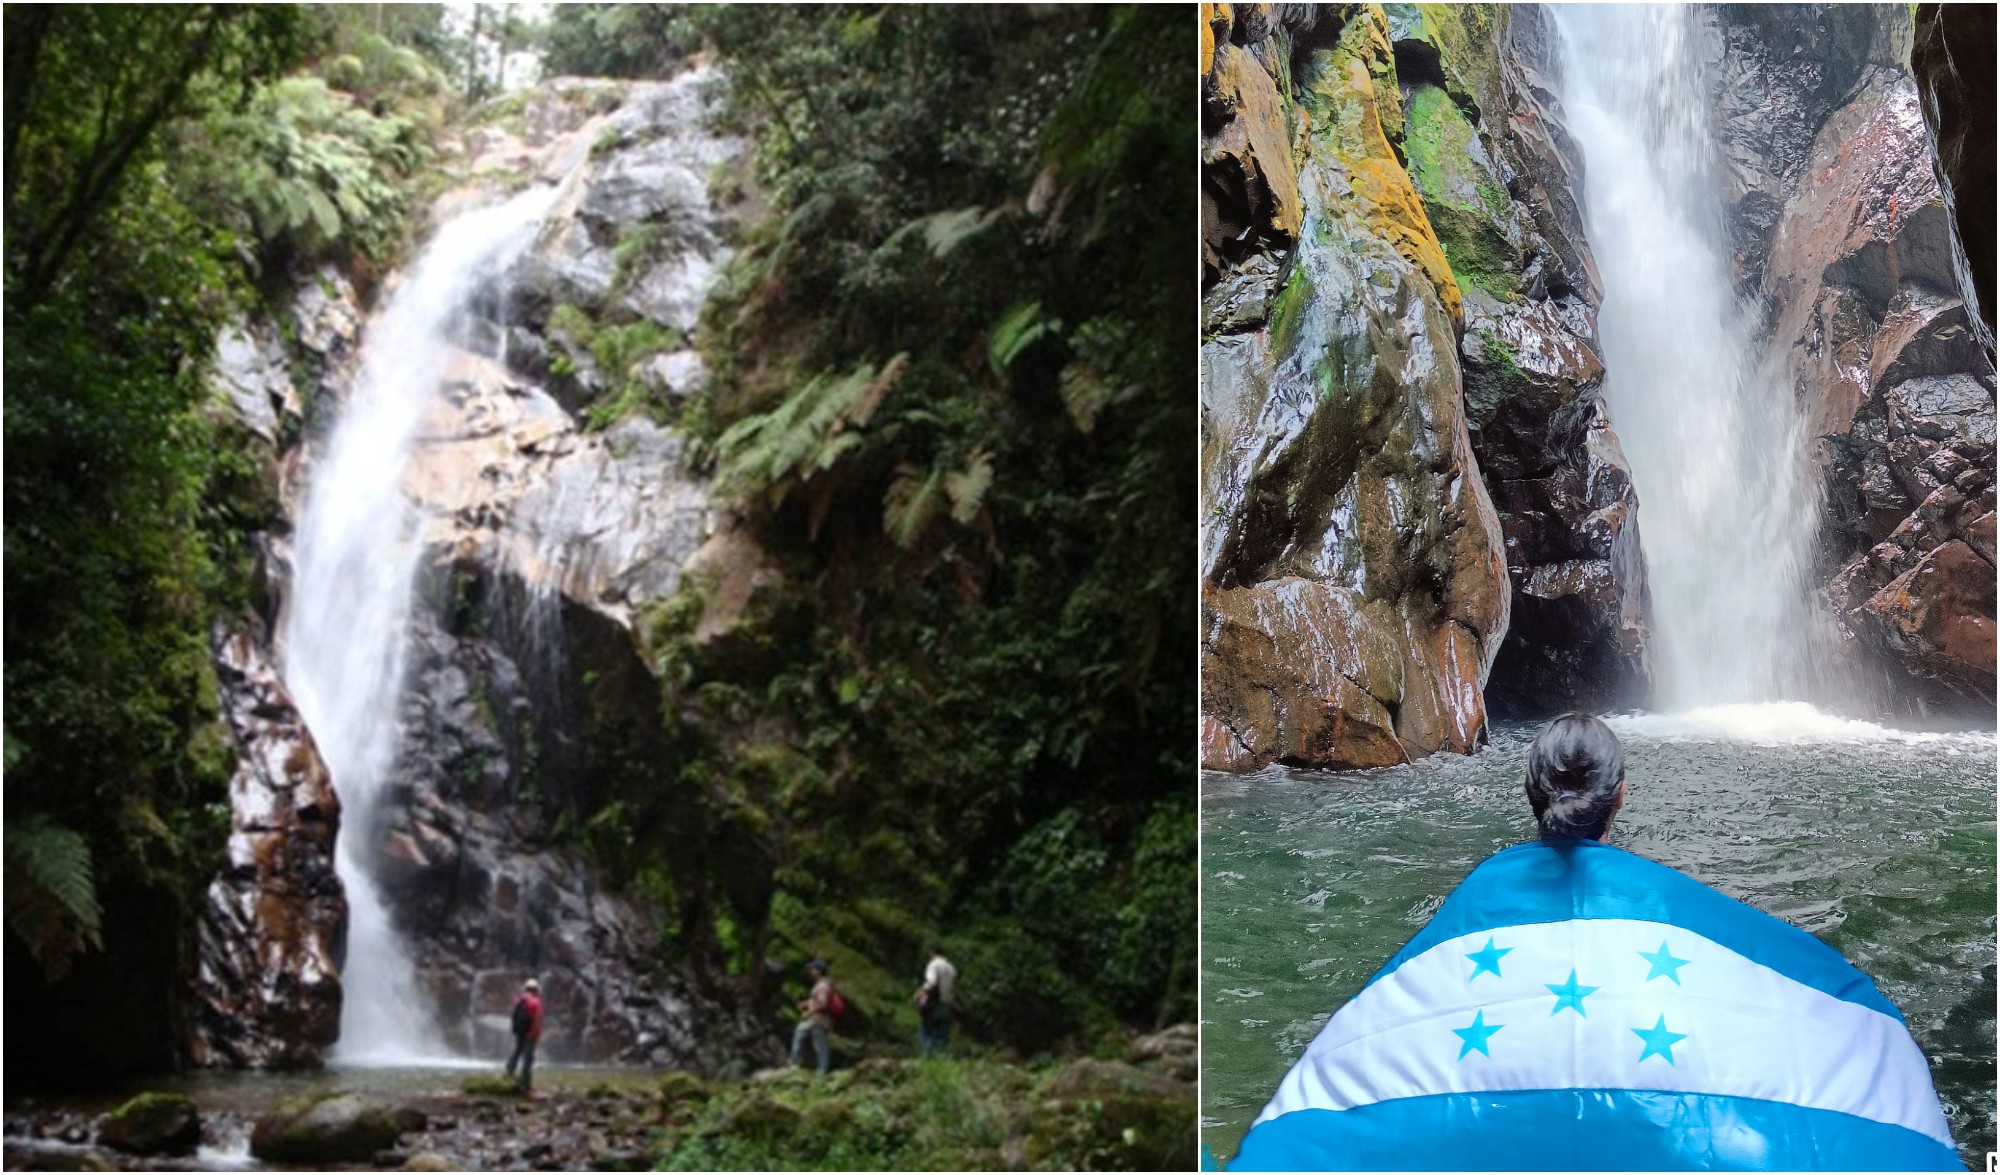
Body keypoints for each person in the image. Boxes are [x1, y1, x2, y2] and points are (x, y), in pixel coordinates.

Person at [1226, 713, 1959, 1171]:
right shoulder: (1670, 908)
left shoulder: (1477, 902)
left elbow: (1382, 1025)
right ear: (1621, 796)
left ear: (1530, 790)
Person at [789, 958, 835, 1076]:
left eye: (812, 969)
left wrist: (809, 1012)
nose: (810, 971)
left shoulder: (823, 986)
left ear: (818, 971)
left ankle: (819, 1071)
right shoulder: (821, 985)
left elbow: (823, 1003)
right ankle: (800, 1063)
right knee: (809, 1036)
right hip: (817, 1020)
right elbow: (816, 1000)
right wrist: (805, 1004)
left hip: (820, 1020)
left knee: (817, 1043)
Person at [914, 943, 957, 1056]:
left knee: (927, 1031)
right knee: (942, 1033)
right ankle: (941, 1058)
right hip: (947, 1004)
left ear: (932, 953)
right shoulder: (951, 967)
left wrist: (920, 992)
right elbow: (952, 988)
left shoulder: (934, 964)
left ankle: (928, 1057)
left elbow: (931, 982)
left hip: (934, 1004)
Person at [505, 978, 543, 1093]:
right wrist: (536, 1033)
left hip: (521, 1032)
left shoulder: (521, 1000)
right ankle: (525, 1084)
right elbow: (537, 1018)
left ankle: (509, 1074)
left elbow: (514, 1016)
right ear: (536, 989)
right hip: (530, 1032)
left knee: (517, 1052)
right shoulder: (536, 1001)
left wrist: (516, 1030)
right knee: (528, 1058)